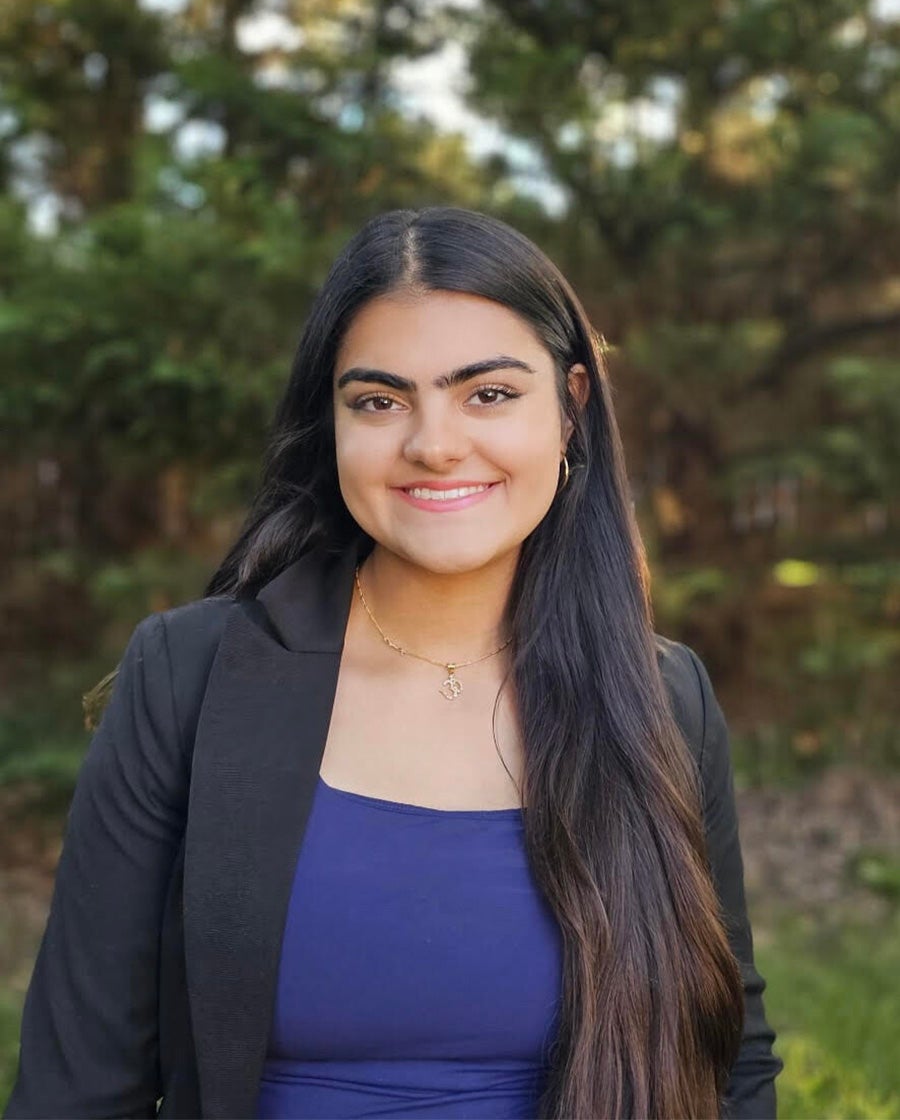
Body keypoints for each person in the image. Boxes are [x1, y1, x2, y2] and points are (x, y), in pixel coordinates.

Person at [4, 207, 782, 1120]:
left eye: (487, 393)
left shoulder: (662, 697)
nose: (433, 444)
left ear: (572, 407)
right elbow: (77, 1087)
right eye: (379, 401)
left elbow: (728, 1067)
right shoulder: (188, 676)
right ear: (329, 423)